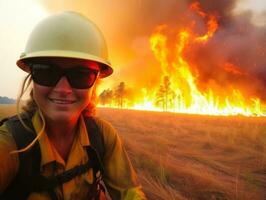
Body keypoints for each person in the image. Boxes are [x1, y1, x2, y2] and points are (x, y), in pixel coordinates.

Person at [0, 11, 146, 200]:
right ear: (32, 78)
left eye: (81, 75)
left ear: (96, 83)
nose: (63, 89)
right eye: (46, 72)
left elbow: (130, 193)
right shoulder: (11, 143)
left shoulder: (102, 136)